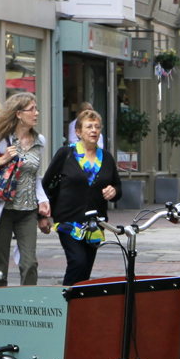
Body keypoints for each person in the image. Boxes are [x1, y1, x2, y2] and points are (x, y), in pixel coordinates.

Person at [0, 91, 50, 286]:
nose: (36, 113)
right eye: (32, 109)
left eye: (36, 109)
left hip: (28, 211)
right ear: (19, 114)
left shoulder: (40, 141)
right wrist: (1, 160)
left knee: (30, 264)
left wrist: (43, 200)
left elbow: (34, 176)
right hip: (3, 210)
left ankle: (28, 301)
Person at [42, 108, 120, 285]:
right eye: (89, 127)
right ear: (78, 132)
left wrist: (114, 191)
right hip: (68, 221)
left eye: (97, 127)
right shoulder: (66, 154)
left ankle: (79, 300)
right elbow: (46, 185)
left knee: (85, 270)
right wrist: (42, 215)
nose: (94, 130)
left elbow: (117, 186)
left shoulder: (106, 157)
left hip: (95, 223)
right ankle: (65, 297)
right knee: (77, 262)